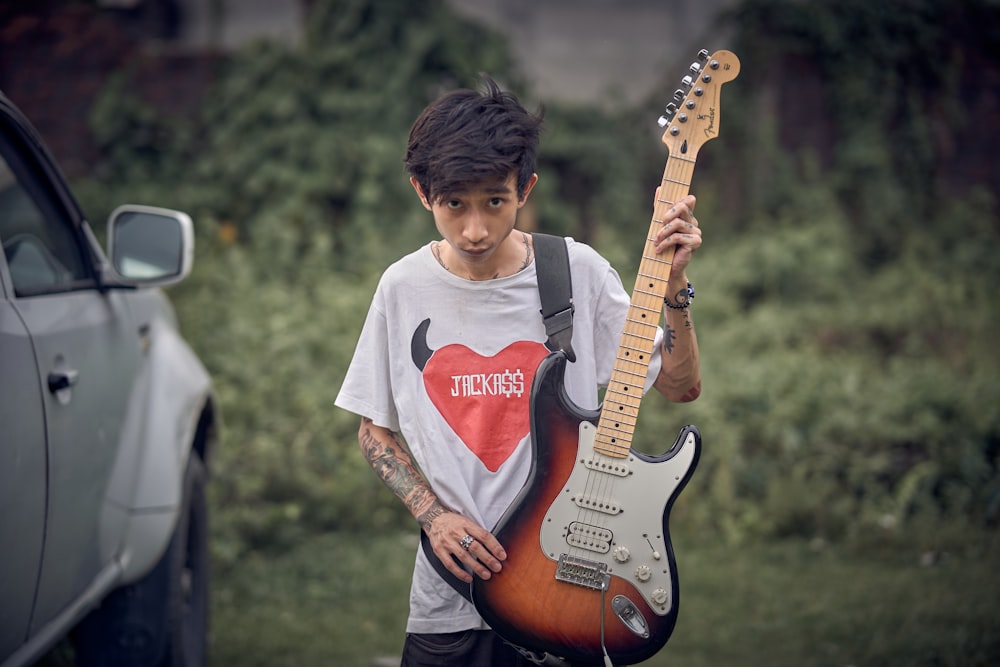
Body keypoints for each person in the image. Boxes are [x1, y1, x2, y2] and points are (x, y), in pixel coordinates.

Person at [334, 75, 703, 667]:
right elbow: (373, 430)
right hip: (450, 603)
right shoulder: (401, 288)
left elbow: (681, 386)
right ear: (421, 192)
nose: (475, 229)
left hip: (574, 595)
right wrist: (432, 517)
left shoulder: (574, 270)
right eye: (454, 204)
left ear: (524, 188)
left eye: (494, 202)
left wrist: (676, 284)